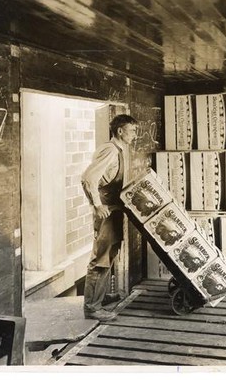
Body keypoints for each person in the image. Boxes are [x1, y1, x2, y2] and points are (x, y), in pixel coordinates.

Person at [81, 114, 138, 321]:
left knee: (110, 253)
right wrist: (97, 205)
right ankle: (92, 308)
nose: (134, 135)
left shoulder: (121, 150)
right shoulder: (110, 150)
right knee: (101, 258)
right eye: (131, 131)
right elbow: (88, 178)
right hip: (106, 211)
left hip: (115, 209)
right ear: (120, 131)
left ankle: (101, 297)